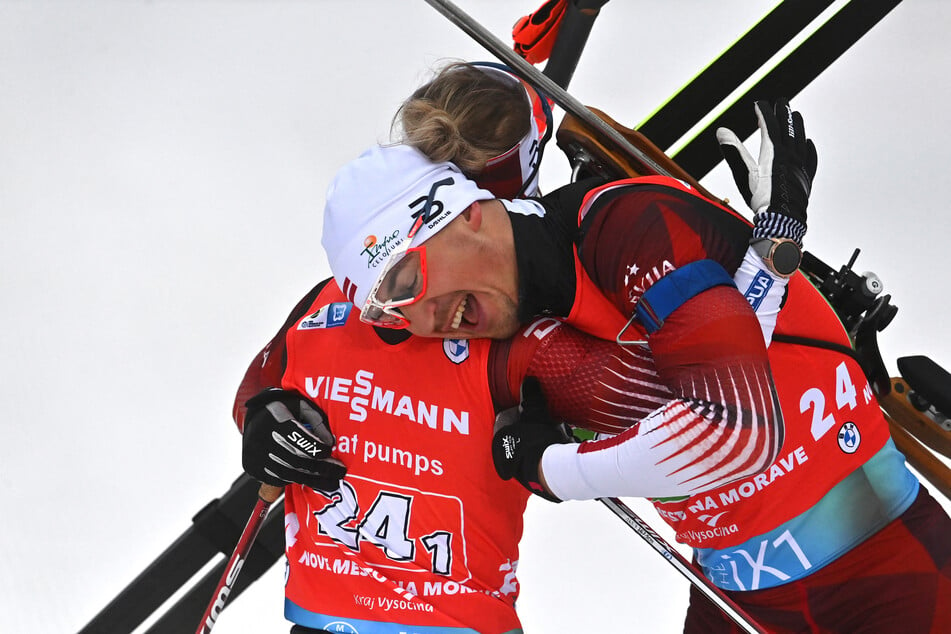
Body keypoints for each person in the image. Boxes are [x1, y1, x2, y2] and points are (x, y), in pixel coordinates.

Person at [320, 97, 951, 632]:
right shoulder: (489, 335)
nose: (420, 317)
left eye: (403, 280)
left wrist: (548, 467)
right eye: (388, 313)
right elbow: (324, 365)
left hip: (887, 572)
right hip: (735, 600)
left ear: (459, 212)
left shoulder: (626, 226)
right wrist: (268, 410)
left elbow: (737, 432)